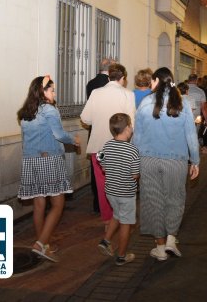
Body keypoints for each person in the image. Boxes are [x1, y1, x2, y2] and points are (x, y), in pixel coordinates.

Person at [133, 67, 200, 261]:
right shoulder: (182, 102)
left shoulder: (145, 102)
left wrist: (134, 164)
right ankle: (171, 238)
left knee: (154, 201)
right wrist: (195, 160)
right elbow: (190, 134)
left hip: (149, 161)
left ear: (155, 81)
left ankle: (160, 248)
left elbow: (137, 137)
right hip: (176, 161)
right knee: (175, 199)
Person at [17, 75, 79, 262]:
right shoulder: (49, 110)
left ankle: (43, 244)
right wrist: (74, 140)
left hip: (31, 161)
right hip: (49, 160)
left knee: (39, 204)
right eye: (52, 89)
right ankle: (41, 243)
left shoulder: (26, 112)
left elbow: (25, 139)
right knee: (58, 204)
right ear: (43, 92)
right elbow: (59, 134)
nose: (55, 93)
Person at [81, 64, 136, 225]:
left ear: (109, 76)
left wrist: (98, 120)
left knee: (102, 184)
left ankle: (107, 220)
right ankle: (119, 219)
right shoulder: (127, 94)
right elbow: (132, 122)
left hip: (99, 147)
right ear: (123, 78)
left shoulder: (96, 93)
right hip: (119, 147)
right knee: (121, 183)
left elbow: (85, 118)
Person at [96, 113, 140, 266]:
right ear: (128, 128)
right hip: (126, 193)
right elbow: (135, 175)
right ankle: (121, 255)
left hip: (111, 191)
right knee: (126, 223)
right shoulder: (132, 150)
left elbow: (103, 166)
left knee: (116, 214)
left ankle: (106, 240)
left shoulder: (107, 145)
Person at [86, 58, 115, 213]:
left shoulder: (90, 84)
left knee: (96, 170)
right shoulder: (112, 86)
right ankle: (109, 204)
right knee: (111, 171)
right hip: (111, 132)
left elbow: (88, 114)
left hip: (95, 132)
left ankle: (97, 203)